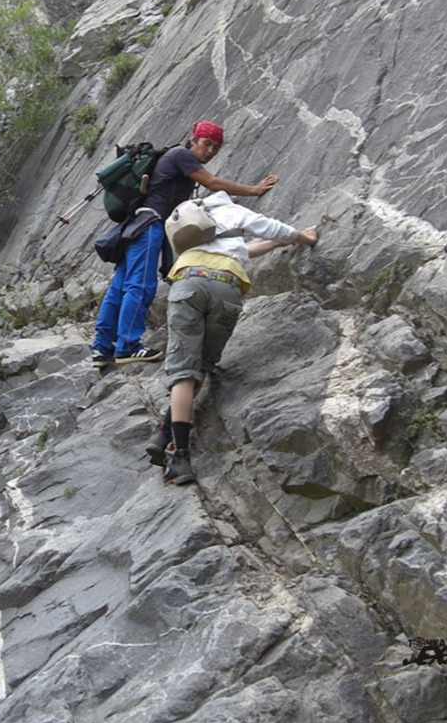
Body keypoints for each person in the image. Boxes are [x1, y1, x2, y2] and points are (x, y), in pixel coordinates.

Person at [145, 194, 319, 484]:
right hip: (225, 286)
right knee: (200, 365)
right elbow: (271, 229)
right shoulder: (233, 211)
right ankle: (166, 433)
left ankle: (175, 448)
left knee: (182, 372)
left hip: (189, 282)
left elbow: (242, 249)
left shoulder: (189, 220)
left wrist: (278, 243)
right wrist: (303, 237)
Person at [90, 120, 279, 366]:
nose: (210, 151)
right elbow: (214, 183)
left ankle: (102, 349)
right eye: (206, 144)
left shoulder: (176, 159)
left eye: (215, 147)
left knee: (119, 287)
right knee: (140, 285)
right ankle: (127, 346)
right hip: (149, 226)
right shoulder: (181, 155)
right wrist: (254, 190)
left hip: (137, 226)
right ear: (194, 140)